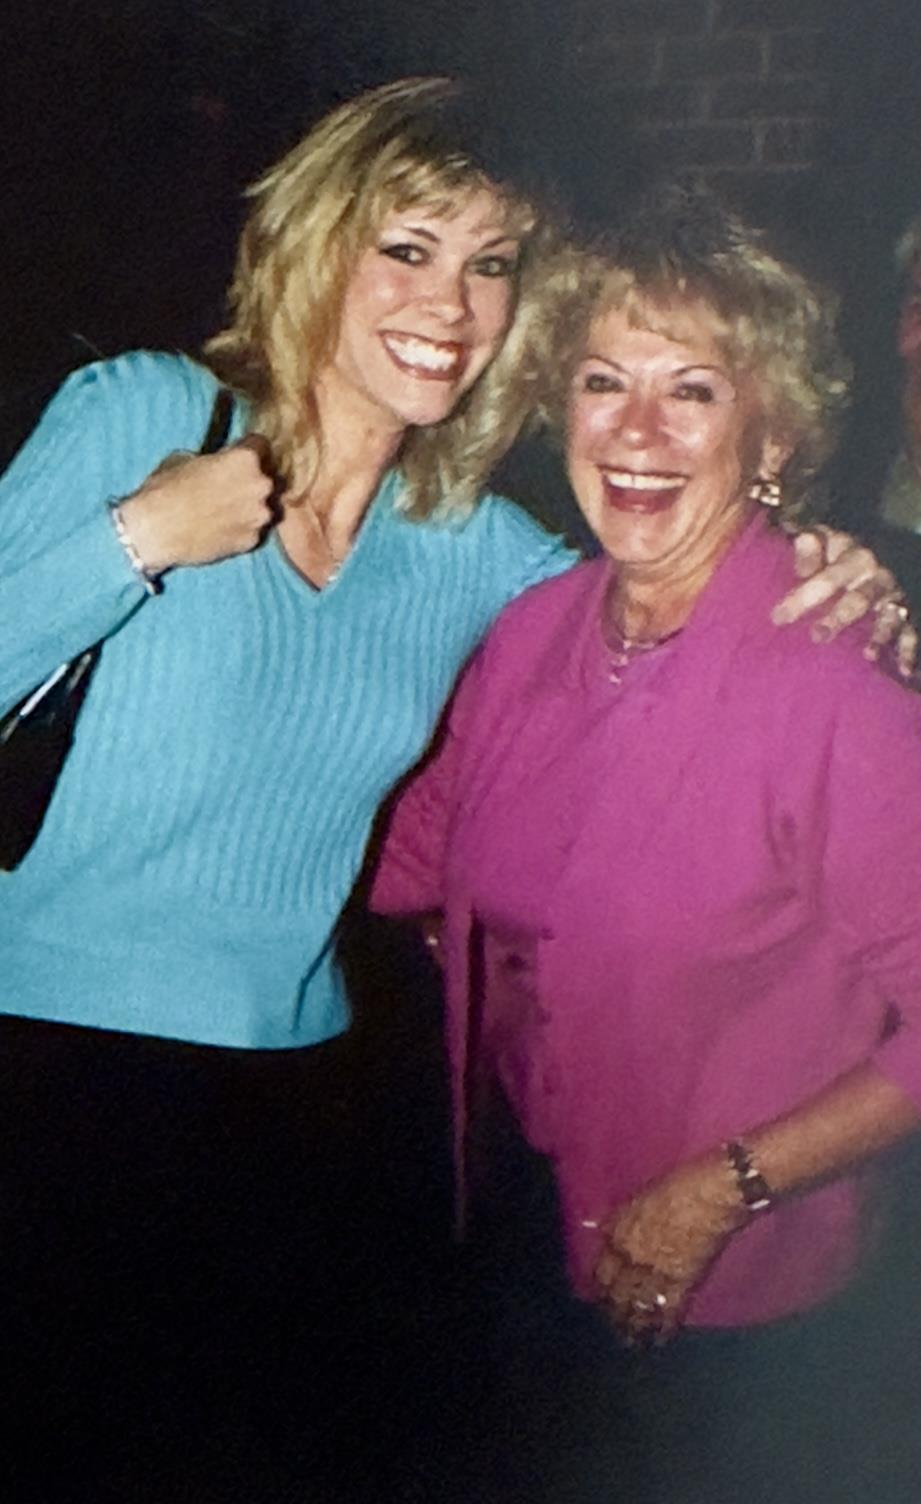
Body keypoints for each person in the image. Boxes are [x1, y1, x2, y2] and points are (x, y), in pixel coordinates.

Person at [0, 78, 908, 1497]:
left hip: (299, 1098)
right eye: (408, 248)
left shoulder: (474, 549)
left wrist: (849, 574)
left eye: (492, 264)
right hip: (54, 1065)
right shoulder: (149, 412)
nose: (451, 301)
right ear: (317, 247)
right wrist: (133, 537)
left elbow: (667, 591)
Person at [371, 184, 921, 1503]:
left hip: (732, 1291)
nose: (633, 431)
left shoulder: (836, 686)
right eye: (602, 381)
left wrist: (719, 1191)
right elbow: (413, 866)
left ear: (770, 432)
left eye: (692, 392)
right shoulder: (532, 629)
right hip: (520, 1212)